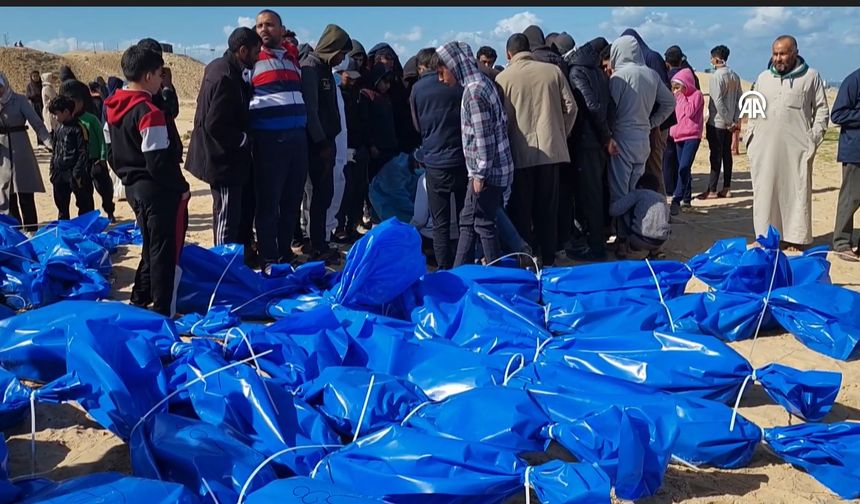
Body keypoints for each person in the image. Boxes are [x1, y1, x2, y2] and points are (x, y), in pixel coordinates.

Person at [104, 44, 190, 317]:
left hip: (132, 187)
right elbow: (158, 162)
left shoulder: (112, 106)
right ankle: (163, 310)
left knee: (150, 244)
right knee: (163, 251)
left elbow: (110, 153)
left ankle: (140, 298)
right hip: (156, 189)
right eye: (159, 75)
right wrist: (181, 188)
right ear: (150, 76)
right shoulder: (148, 111)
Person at [496, 33, 577, 267]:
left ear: (508, 53)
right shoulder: (552, 71)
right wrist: (561, 133)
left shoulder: (504, 78)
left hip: (519, 153)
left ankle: (527, 260)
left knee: (522, 210)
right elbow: (571, 108)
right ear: (529, 49)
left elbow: (501, 119)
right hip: (551, 151)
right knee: (548, 208)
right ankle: (549, 259)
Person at [185, 27, 261, 265]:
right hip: (222, 161)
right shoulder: (225, 76)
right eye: (255, 53)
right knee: (226, 218)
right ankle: (222, 267)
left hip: (227, 159)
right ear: (242, 51)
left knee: (232, 213)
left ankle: (232, 263)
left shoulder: (226, 69)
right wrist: (243, 140)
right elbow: (214, 124)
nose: (258, 58)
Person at [747, 35, 829, 251]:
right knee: (765, 192)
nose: (778, 58)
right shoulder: (763, 77)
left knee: (795, 191)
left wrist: (813, 138)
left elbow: (821, 109)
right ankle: (765, 237)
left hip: (797, 148)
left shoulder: (811, 77)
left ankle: (795, 239)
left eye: (782, 53)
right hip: (764, 147)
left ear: (794, 52)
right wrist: (750, 138)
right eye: (775, 53)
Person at [436, 41, 514, 268]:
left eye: (442, 73)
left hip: (487, 172)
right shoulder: (482, 83)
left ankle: (495, 276)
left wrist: (479, 175)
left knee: (483, 223)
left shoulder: (473, 93)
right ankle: (460, 272)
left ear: (454, 66)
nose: (441, 79)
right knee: (468, 221)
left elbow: (483, 139)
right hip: (492, 169)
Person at [248, 9, 309, 270]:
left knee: (292, 201)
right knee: (269, 203)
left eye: (269, 25)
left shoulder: (292, 60)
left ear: (281, 29)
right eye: (260, 25)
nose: (263, 29)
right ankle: (269, 257)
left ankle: (285, 252)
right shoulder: (253, 61)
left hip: (298, 140)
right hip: (269, 142)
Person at [607, 34, 675, 258]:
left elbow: (611, 111)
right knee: (637, 190)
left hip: (622, 139)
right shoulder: (651, 75)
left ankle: (625, 239)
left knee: (621, 194)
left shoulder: (619, 77)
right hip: (643, 140)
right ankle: (640, 234)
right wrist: (652, 122)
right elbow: (670, 103)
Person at [410, 47, 467, 270]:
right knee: (465, 219)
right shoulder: (458, 84)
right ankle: (465, 264)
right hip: (461, 158)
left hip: (434, 161)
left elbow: (416, 125)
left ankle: (444, 268)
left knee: (440, 222)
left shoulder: (417, 89)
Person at [300, 23, 351, 264]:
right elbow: (311, 110)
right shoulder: (310, 68)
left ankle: (320, 243)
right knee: (318, 197)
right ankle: (315, 246)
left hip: (327, 143)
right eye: (340, 53)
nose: (341, 59)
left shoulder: (324, 70)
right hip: (316, 146)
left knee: (325, 195)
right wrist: (321, 142)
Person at [566, 36, 613, 261]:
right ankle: (596, 240)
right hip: (596, 141)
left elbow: (591, 106)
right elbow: (608, 106)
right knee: (594, 193)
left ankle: (595, 247)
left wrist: (605, 136)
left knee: (590, 195)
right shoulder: (597, 72)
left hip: (587, 141)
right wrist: (607, 135)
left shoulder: (577, 72)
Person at [622, 29, 675, 196]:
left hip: (656, 125)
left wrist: (655, 124)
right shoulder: (642, 60)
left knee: (654, 167)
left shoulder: (651, 57)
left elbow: (662, 94)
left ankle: (661, 210)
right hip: (647, 124)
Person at [0, 72, 51, 230]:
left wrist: (50, 143)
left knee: (25, 192)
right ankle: (15, 231)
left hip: (21, 149)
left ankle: (31, 229)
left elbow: (36, 123)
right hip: (2, 154)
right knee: (8, 194)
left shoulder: (20, 100)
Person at [59, 79, 115, 222]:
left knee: (104, 189)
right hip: (81, 163)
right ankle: (88, 218)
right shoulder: (69, 123)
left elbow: (101, 139)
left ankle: (109, 210)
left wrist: (102, 158)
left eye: (75, 102)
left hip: (96, 160)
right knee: (85, 191)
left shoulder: (91, 119)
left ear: (81, 103)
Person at [334, 58, 371, 242]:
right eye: (349, 77)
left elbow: (364, 122)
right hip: (343, 149)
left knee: (357, 190)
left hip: (359, 149)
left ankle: (353, 225)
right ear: (341, 75)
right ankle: (338, 228)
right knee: (343, 191)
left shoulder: (360, 95)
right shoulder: (336, 94)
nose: (353, 81)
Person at [700, 44, 742, 200]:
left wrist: (727, 120)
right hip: (729, 121)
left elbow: (717, 101)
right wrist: (734, 119)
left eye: (712, 58)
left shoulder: (717, 76)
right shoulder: (734, 75)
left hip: (717, 122)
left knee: (716, 155)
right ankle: (726, 187)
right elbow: (740, 99)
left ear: (716, 59)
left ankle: (712, 189)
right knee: (726, 155)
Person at [46, 95, 94, 220]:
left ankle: (84, 229)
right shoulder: (58, 128)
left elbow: (83, 153)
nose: (55, 118)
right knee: (62, 206)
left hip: (74, 174)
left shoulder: (79, 129)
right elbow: (55, 149)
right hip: (59, 173)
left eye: (56, 114)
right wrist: (53, 169)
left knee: (84, 204)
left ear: (66, 112)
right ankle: (64, 229)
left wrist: (76, 173)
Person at [831, 65, 860, 259]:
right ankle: (842, 242)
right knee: (851, 198)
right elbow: (837, 114)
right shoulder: (853, 81)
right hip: (855, 151)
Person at [667, 68, 704, 216]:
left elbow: (689, 112)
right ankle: (686, 199)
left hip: (692, 136)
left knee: (684, 166)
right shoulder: (675, 98)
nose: (675, 90)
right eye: (673, 88)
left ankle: (677, 197)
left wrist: (681, 97)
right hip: (678, 136)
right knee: (683, 169)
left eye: (678, 87)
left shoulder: (697, 95)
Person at [609, 172, 671, 258]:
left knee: (622, 209)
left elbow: (614, 211)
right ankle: (656, 251)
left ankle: (622, 249)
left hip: (639, 239)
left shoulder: (639, 193)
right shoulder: (662, 198)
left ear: (640, 186)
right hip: (660, 241)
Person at [25, 71, 44, 145]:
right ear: (31, 77)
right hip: (35, 106)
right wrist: (34, 95)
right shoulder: (29, 86)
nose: (36, 78)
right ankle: (40, 141)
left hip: (42, 105)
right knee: (38, 123)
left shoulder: (42, 85)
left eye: (37, 76)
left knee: (45, 123)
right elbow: (28, 96)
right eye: (34, 76)